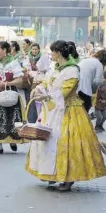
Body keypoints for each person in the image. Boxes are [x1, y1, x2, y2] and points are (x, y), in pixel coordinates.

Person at [27, 40, 106, 191]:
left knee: (66, 144)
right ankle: (53, 173)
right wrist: (38, 88)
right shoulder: (55, 68)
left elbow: (64, 93)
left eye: (52, 52)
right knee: (48, 142)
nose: (50, 55)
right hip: (52, 110)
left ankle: (68, 179)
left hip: (69, 111)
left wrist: (46, 97)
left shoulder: (72, 70)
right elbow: (47, 83)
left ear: (59, 53)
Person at [0, 41, 27, 154]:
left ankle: (12, 140)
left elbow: (20, 79)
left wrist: (7, 84)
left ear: (5, 50)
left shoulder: (13, 63)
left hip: (10, 92)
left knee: (11, 117)